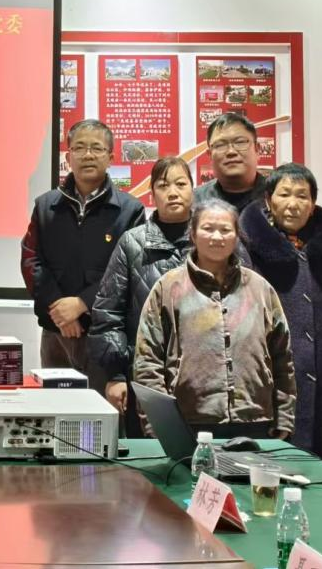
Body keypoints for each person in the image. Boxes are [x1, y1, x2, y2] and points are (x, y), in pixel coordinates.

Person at [133, 198, 295, 439]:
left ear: (237, 236)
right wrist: (158, 422)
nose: (217, 237)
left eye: (225, 230)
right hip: (187, 419)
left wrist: (285, 415)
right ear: (193, 234)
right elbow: (147, 360)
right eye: (208, 228)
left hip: (254, 420)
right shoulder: (169, 287)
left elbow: (283, 357)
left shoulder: (260, 288)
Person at [239, 163, 322, 470]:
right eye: (284, 194)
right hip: (275, 375)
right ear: (268, 200)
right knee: (279, 469)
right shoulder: (249, 247)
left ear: (313, 205)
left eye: (302, 196)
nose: (293, 203)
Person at [20, 119, 145, 390]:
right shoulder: (46, 206)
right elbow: (31, 259)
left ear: (111, 157)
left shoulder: (130, 211)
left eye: (96, 148)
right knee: (56, 410)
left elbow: (129, 272)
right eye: (79, 148)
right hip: (55, 332)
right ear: (68, 157)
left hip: (105, 334)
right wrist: (59, 309)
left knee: (103, 411)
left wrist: (81, 303)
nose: (88, 155)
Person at [89, 156, 194, 434]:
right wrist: (115, 374)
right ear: (152, 193)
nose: (173, 192)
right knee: (149, 452)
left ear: (193, 188)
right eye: (163, 185)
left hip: (202, 376)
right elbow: (108, 313)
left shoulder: (209, 239)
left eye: (181, 184)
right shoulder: (132, 243)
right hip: (146, 376)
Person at [194, 113, 266, 212]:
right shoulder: (195, 201)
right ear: (210, 155)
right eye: (220, 145)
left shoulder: (275, 194)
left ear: (257, 149)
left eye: (240, 142)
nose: (231, 152)